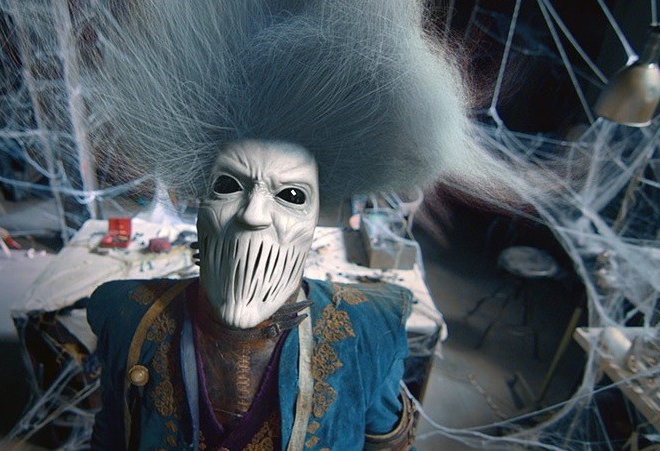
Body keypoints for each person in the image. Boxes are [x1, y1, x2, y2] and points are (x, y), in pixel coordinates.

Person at [84, 1, 504, 449]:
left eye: (291, 196)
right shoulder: (124, 315)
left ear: (315, 223)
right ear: (200, 208)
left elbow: (386, 442)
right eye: (228, 186)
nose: (253, 215)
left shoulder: (372, 330)